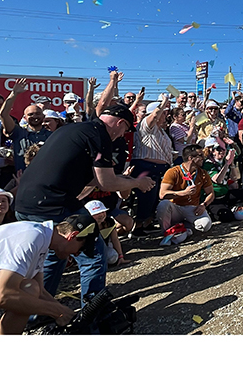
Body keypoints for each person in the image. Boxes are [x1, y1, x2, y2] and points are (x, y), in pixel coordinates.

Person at [14, 103, 155, 300]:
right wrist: (138, 183)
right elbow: (105, 183)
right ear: (120, 122)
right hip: (53, 204)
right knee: (92, 252)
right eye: (125, 130)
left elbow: (92, 179)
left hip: (24, 203)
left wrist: (130, 181)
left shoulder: (72, 129)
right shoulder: (100, 136)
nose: (122, 135)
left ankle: (37, 312)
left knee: (53, 255)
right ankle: (92, 309)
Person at [0, 212, 96, 335]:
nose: (77, 254)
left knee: (31, 288)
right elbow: (2, 296)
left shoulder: (42, 238)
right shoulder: (30, 237)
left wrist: (68, 314)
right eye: (81, 248)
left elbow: (39, 291)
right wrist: (58, 312)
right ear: (72, 236)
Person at [130, 96, 174, 237]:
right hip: (146, 166)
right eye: (164, 112)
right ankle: (138, 226)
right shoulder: (146, 125)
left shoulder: (161, 130)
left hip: (159, 167)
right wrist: (163, 102)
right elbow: (154, 115)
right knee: (146, 196)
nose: (166, 115)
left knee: (155, 197)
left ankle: (147, 223)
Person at [157, 145, 214, 241]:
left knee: (206, 225)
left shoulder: (203, 173)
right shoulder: (173, 172)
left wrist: (203, 205)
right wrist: (183, 193)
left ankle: (186, 228)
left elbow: (211, 193)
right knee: (163, 204)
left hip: (193, 207)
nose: (203, 158)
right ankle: (167, 232)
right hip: (175, 207)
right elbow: (162, 194)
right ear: (190, 158)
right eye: (200, 155)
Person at [0, 78, 52, 172]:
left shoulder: (52, 136)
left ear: (44, 116)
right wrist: (14, 93)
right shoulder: (18, 133)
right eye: (30, 114)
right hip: (22, 178)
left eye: (38, 114)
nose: (35, 116)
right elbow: (3, 114)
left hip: (45, 177)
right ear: (24, 118)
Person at [84, 200, 129, 267]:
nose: (101, 215)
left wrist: (120, 256)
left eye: (103, 211)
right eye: (96, 213)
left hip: (105, 245)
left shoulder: (109, 222)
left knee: (112, 257)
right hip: (89, 250)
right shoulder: (84, 226)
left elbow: (115, 239)